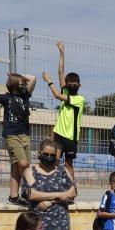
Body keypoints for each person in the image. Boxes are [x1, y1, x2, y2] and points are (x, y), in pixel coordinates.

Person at [0, 68, 37, 206]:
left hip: (25, 135)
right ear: (14, 84)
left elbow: (33, 78)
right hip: (12, 136)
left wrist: (18, 75)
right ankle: (32, 188)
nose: (24, 84)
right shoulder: (6, 97)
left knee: (18, 167)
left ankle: (13, 197)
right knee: (23, 164)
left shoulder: (26, 95)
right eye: (21, 82)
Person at [21, 138, 75, 230]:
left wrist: (50, 201)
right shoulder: (30, 171)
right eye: (46, 154)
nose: (49, 157)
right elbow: (32, 194)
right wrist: (59, 195)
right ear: (39, 153)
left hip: (61, 225)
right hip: (39, 226)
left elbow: (72, 193)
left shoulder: (62, 171)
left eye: (52, 155)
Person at [43, 41, 85, 181]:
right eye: (70, 82)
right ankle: (51, 186)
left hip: (71, 138)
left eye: (75, 82)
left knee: (68, 164)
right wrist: (62, 53)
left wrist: (49, 82)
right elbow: (61, 72)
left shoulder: (79, 99)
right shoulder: (66, 89)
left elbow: (57, 95)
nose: (72, 84)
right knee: (54, 161)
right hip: (59, 135)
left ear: (79, 85)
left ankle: (71, 189)